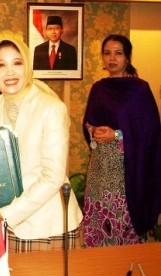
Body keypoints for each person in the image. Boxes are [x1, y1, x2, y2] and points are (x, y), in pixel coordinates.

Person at [0, 36, 83, 252]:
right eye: (1, 65)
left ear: (27, 65)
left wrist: (6, 213)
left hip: (46, 224)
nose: (9, 72)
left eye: (17, 63)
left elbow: (53, 177)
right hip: (9, 221)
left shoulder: (51, 108)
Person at [82, 34, 161, 247]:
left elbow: (150, 131)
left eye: (118, 53)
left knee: (123, 224)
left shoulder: (139, 90)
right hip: (99, 169)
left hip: (127, 171)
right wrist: (94, 130)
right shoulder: (99, 88)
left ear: (127, 57)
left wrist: (116, 135)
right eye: (107, 53)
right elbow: (88, 121)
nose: (112, 59)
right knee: (99, 223)